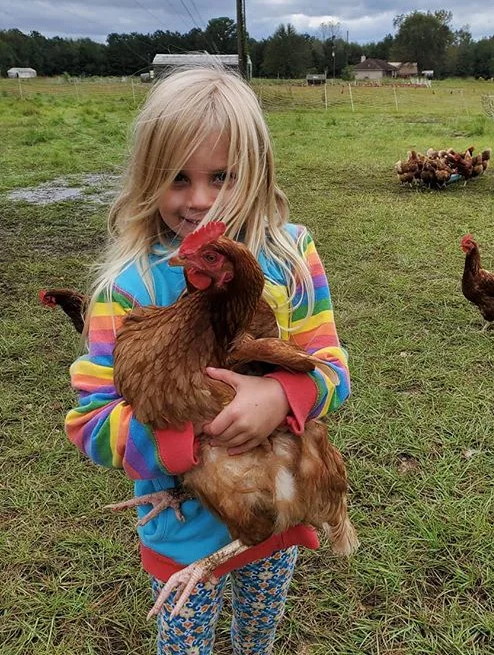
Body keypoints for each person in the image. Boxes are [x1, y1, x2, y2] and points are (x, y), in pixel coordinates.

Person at [65, 67, 351, 654]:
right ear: (147, 180)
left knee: (257, 637)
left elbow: (331, 370)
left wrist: (279, 396)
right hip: (180, 532)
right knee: (184, 642)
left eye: (221, 177)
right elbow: (91, 423)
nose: (199, 200)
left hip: (274, 508)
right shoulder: (129, 287)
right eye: (177, 178)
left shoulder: (291, 256)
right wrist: (184, 443)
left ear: (257, 171)